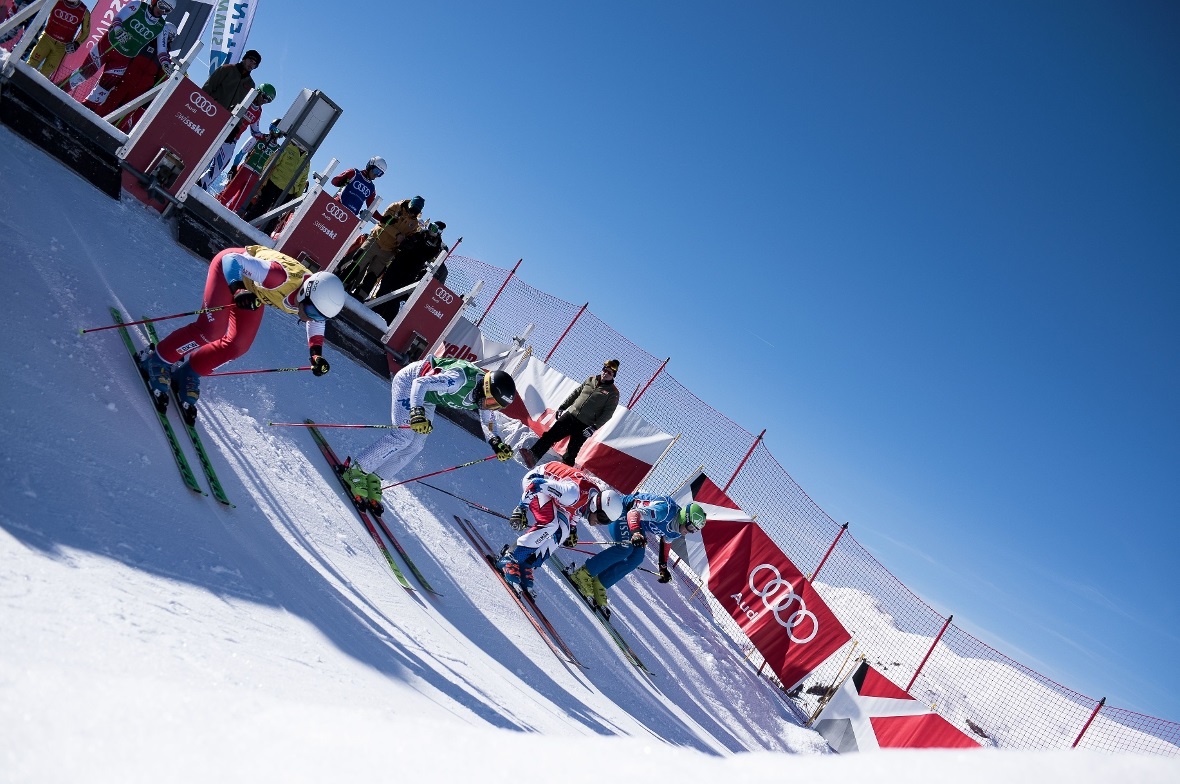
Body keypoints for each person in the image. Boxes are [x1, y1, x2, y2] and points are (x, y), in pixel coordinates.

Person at [137, 246, 345, 424]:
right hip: (230, 273)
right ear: (304, 292)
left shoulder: (313, 303)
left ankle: (189, 372)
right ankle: (158, 359)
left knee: (239, 344)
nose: (311, 318)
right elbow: (231, 260)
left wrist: (316, 354)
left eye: (319, 316)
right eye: (311, 312)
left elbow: (317, 324)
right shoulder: (279, 277)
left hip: (251, 290)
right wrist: (238, 291)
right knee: (211, 330)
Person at [340, 360, 517, 515]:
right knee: (404, 435)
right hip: (410, 383)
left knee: (416, 445)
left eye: (495, 406)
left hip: (427, 397)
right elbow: (420, 383)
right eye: (491, 401)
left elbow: (488, 422)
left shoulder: (483, 397)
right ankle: (356, 470)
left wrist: (497, 442)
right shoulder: (459, 380)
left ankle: (375, 477)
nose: (489, 407)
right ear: (485, 388)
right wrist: (417, 413)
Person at [496, 461, 624, 597]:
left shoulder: (593, 497)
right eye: (602, 518)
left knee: (563, 531)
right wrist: (521, 508)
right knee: (550, 523)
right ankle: (510, 558)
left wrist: (573, 529)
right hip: (535, 482)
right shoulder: (571, 494)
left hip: (552, 493)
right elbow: (537, 484)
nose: (600, 523)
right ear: (596, 506)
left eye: (606, 521)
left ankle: (527, 563)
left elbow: (578, 511)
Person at [568, 495, 706, 616]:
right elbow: (633, 514)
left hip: (636, 525)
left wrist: (663, 566)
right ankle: (583, 574)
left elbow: (666, 541)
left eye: (695, 530)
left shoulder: (677, 530)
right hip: (621, 510)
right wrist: (635, 533)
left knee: (636, 558)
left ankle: (600, 583)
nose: (691, 532)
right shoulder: (665, 511)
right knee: (625, 548)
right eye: (691, 527)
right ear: (684, 518)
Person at [59, 0, 173, 108]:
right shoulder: (138, 5)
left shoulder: (162, 27)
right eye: (162, 5)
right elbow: (118, 17)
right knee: (84, 73)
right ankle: (57, 90)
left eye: (167, 10)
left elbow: (162, 50)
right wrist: (118, 30)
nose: (162, 10)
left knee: (105, 88)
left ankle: (83, 111)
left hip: (123, 58)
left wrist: (166, 64)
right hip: (107, 45)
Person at [525, 359, 620, 467]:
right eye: (605, 370)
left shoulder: (613, 393)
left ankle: (563, 475)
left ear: (613, 375)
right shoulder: (591, 379)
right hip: (570, 416)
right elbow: (576, 393)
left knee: (571, 453)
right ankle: (532, 456)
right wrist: (563, 406)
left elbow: (608, 413)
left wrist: (594, 427)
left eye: (609, 373)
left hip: (585, 426)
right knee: (550, 436)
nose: (606, 373)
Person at [339, 194, 424, 297]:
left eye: (416, 211)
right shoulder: (396, 207)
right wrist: (397, 234)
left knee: (372, 275)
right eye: (412, 209)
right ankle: (340, 284)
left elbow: (408, 238)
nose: (412, 212)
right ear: (409, 204)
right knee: (357, 263)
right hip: (375, 240)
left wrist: (407, 242)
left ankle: (360, 296)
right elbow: (383, 222)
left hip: (388, 251)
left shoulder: (414, 224)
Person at [198, 82, 276, 190]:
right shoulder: (244, 96)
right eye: (264, 96)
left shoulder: (258, 111)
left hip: (232, 140)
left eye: (268, 100)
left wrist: (264, 137)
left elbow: (255, 131)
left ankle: (201, 185)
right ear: (259, 91)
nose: (264, 101)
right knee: (200, 155)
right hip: (220, 131)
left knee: (221, 165)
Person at [100, 19, 175, 128]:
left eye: (169, 37)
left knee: (126, 111)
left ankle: (113, 131)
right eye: (166, 35)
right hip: (127, 79)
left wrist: (153, 91)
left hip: (141, 89)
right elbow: (127, 55)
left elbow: (161, 78)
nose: (165, 39)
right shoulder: (144, 42)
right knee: (111, 102)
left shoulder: (165, 58)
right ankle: (97, 120)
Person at [369, 220, 447, 320]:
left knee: (397, 294)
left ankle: (386, 319)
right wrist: (410, 246)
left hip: (410, 271)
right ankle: (374, 310)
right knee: (385, 286)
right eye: (430, 226)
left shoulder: (436, 245)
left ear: (439, 232)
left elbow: (425, 256)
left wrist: (415, 249)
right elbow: (406, 244)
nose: (430, 229)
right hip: (399, 263)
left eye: (434, 228)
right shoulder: (421, 234)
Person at [216, 123, 283, 212]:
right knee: (228, 192)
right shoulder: (259, 137)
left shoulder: (278, 150)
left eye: (277, 130)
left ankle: (227, 216)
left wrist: (262, 183)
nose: (273, 131)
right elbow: (242, 152)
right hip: (245, 168)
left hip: (256, 176)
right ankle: (213, 205)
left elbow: (272, 168)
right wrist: (234, 166)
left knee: (239, 201)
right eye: (273, 128)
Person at [24, 0, 90, 79]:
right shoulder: (55, 1)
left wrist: (76, 44)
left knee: (45, 74)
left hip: (61, 47)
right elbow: (41, 10)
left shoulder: (84, 12)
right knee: (31, 64)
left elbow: (86, 32)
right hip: (46, 38)